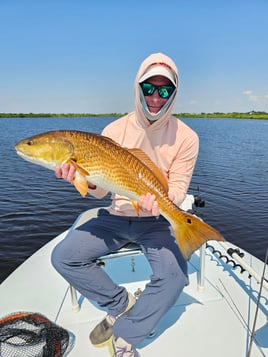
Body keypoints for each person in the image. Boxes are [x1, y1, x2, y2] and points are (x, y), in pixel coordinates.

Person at [51, 52, 199, 357]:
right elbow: (99, 192)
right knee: (63, 257)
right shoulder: (113, 131)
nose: (155, 97)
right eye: (149, 88)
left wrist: (162, 204)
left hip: (158, 219)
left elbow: (179, 187)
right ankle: (122, 304)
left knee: (175, 277)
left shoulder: (187, 137)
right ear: (138, 87)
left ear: (174, 93)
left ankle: (127, 335)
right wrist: (80, 177)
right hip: (117, 214)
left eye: (164, 90)